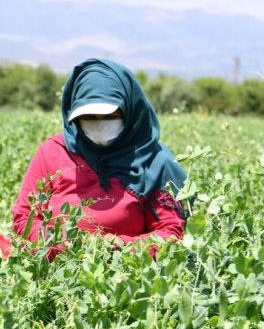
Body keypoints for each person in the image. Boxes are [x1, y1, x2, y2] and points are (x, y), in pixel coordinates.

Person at [12, 58, 188, 254]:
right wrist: (60, 246)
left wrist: (121, 247)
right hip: (58, 277)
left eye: (110, 116)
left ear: (129, 111)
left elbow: (172, 232)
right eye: (89, 117)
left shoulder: (154, 162)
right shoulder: (53, 152)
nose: (99, 124)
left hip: (127, 278)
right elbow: (24, 216)